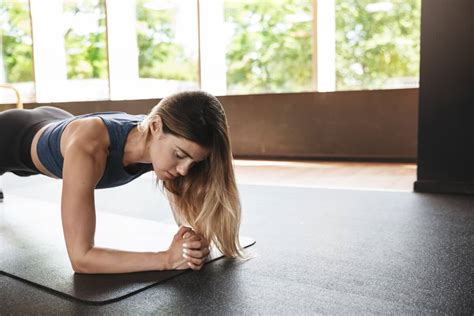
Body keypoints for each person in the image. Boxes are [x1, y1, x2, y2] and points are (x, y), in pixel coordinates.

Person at [0, 90, 243, 274]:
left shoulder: (160, 138)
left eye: (194, 162)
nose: (183, 170)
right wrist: (166, 259)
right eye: (179, 155)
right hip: (8, 136)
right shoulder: (90, 146)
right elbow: (81, 258)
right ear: (156, 126)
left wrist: (192, 243)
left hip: (53, 122)